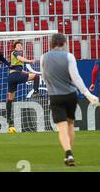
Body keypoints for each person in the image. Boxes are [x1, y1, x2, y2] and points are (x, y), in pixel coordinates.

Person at [40, 33, 99, 166]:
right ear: (63, 43)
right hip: (70, 95)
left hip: (55, 96)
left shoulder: (44, 57)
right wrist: (87, 94)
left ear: (52, 43)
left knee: (61, 127)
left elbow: (44, 77)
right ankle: (69, 153)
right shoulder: (69, 56)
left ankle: (68, 152)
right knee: (70, 124)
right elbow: (76, 78)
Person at [6, 41, 41, 134]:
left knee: (10, 99)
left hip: (11, 77)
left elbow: (17, 69)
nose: (20, 46)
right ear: (15, 47)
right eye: (18, 45)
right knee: (36, 77)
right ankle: (36, 92)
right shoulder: (15, 53)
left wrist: (27, 73)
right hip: (16, 76)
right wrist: (30, 61)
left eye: (21, 45)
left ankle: (9, 118)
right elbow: (19, 58)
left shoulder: (16, 59)